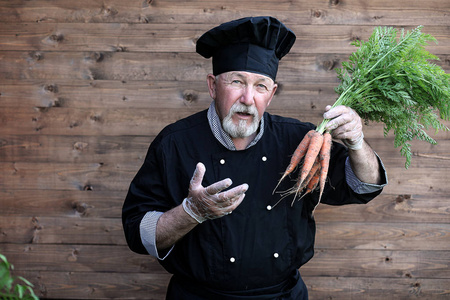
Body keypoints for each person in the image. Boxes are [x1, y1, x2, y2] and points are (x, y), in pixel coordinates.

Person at [122, 16, 388, 299]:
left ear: (271, 94)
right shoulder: (173, 143)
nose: (248, 98)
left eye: (260, 86)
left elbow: (363, 186)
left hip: (283, 295)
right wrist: (191, 213)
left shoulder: (301, 138)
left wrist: (357, 142)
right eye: (237, 82)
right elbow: (139, 234)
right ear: (213, 86)